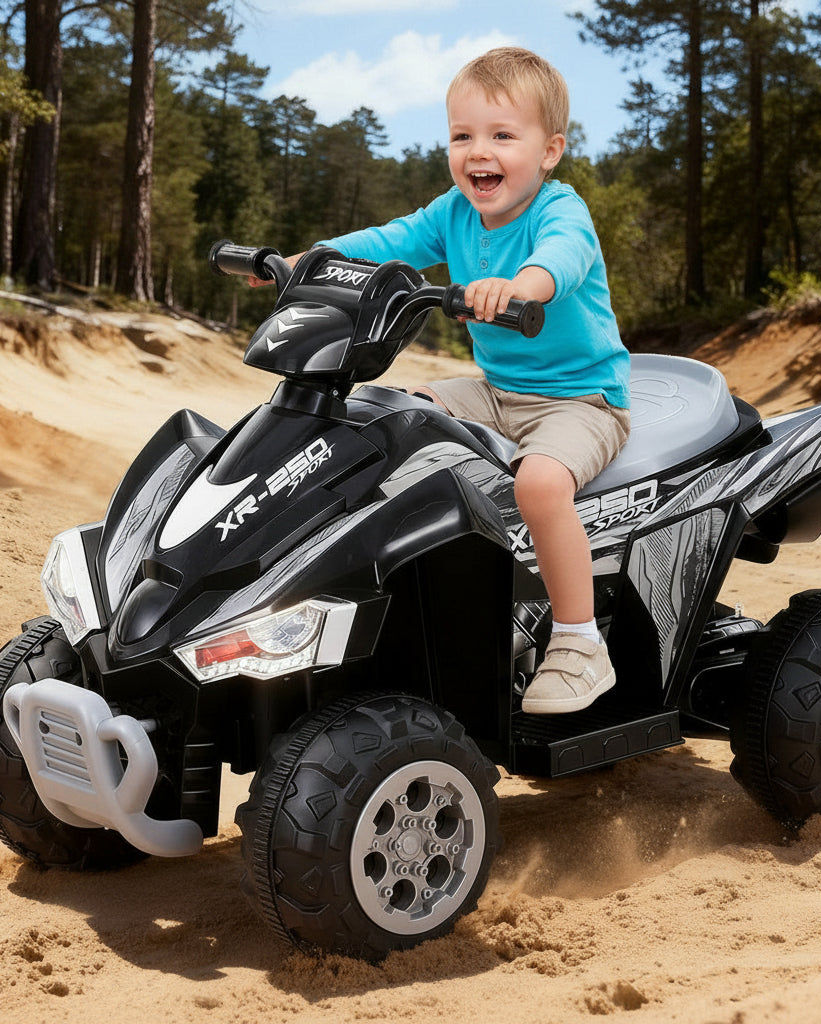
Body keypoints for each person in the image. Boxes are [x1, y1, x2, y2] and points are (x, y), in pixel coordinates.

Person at [252, 47, 631, 714]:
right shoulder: (455, 212)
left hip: (582, 398)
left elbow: (562, 261)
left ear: (549, 151)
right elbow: (389, 238)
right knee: (388, 415)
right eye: (463, 136)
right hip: (496, 389)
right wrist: (307, 260)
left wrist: (517, 288)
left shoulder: (558, 210)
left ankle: (578, 643)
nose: (478, 152)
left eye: (502, 136)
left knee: (539, 485)